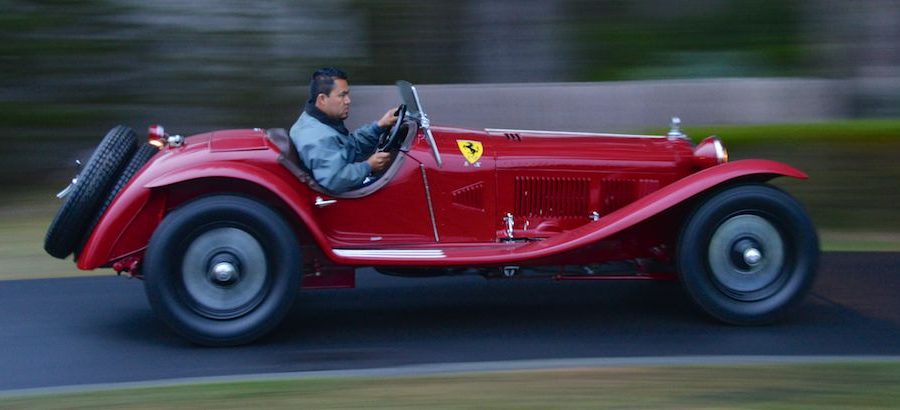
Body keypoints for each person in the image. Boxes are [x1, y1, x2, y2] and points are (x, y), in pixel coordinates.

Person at [289, 67, 399, 194]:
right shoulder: (317, 136)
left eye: (347, 94)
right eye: (342, 95)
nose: (348, 101)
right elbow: (335, 180)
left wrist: (379, 126)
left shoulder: (320, 121)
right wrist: (368, 166)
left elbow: (349, 147)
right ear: (322, 99)